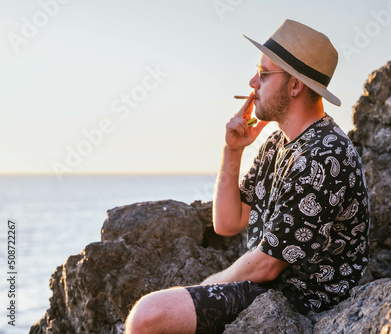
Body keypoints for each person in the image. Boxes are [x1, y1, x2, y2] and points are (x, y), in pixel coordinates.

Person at [125, 19, 369, 334]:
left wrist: (209, 284)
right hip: (270, 288)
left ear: (294, 85)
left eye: (265, 73)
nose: (253, 82)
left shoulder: (323, 156)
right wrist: (233, 151)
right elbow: (228, 222)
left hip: (303, 303)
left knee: (149, 315)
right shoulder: (278, 143)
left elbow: (268, 264)